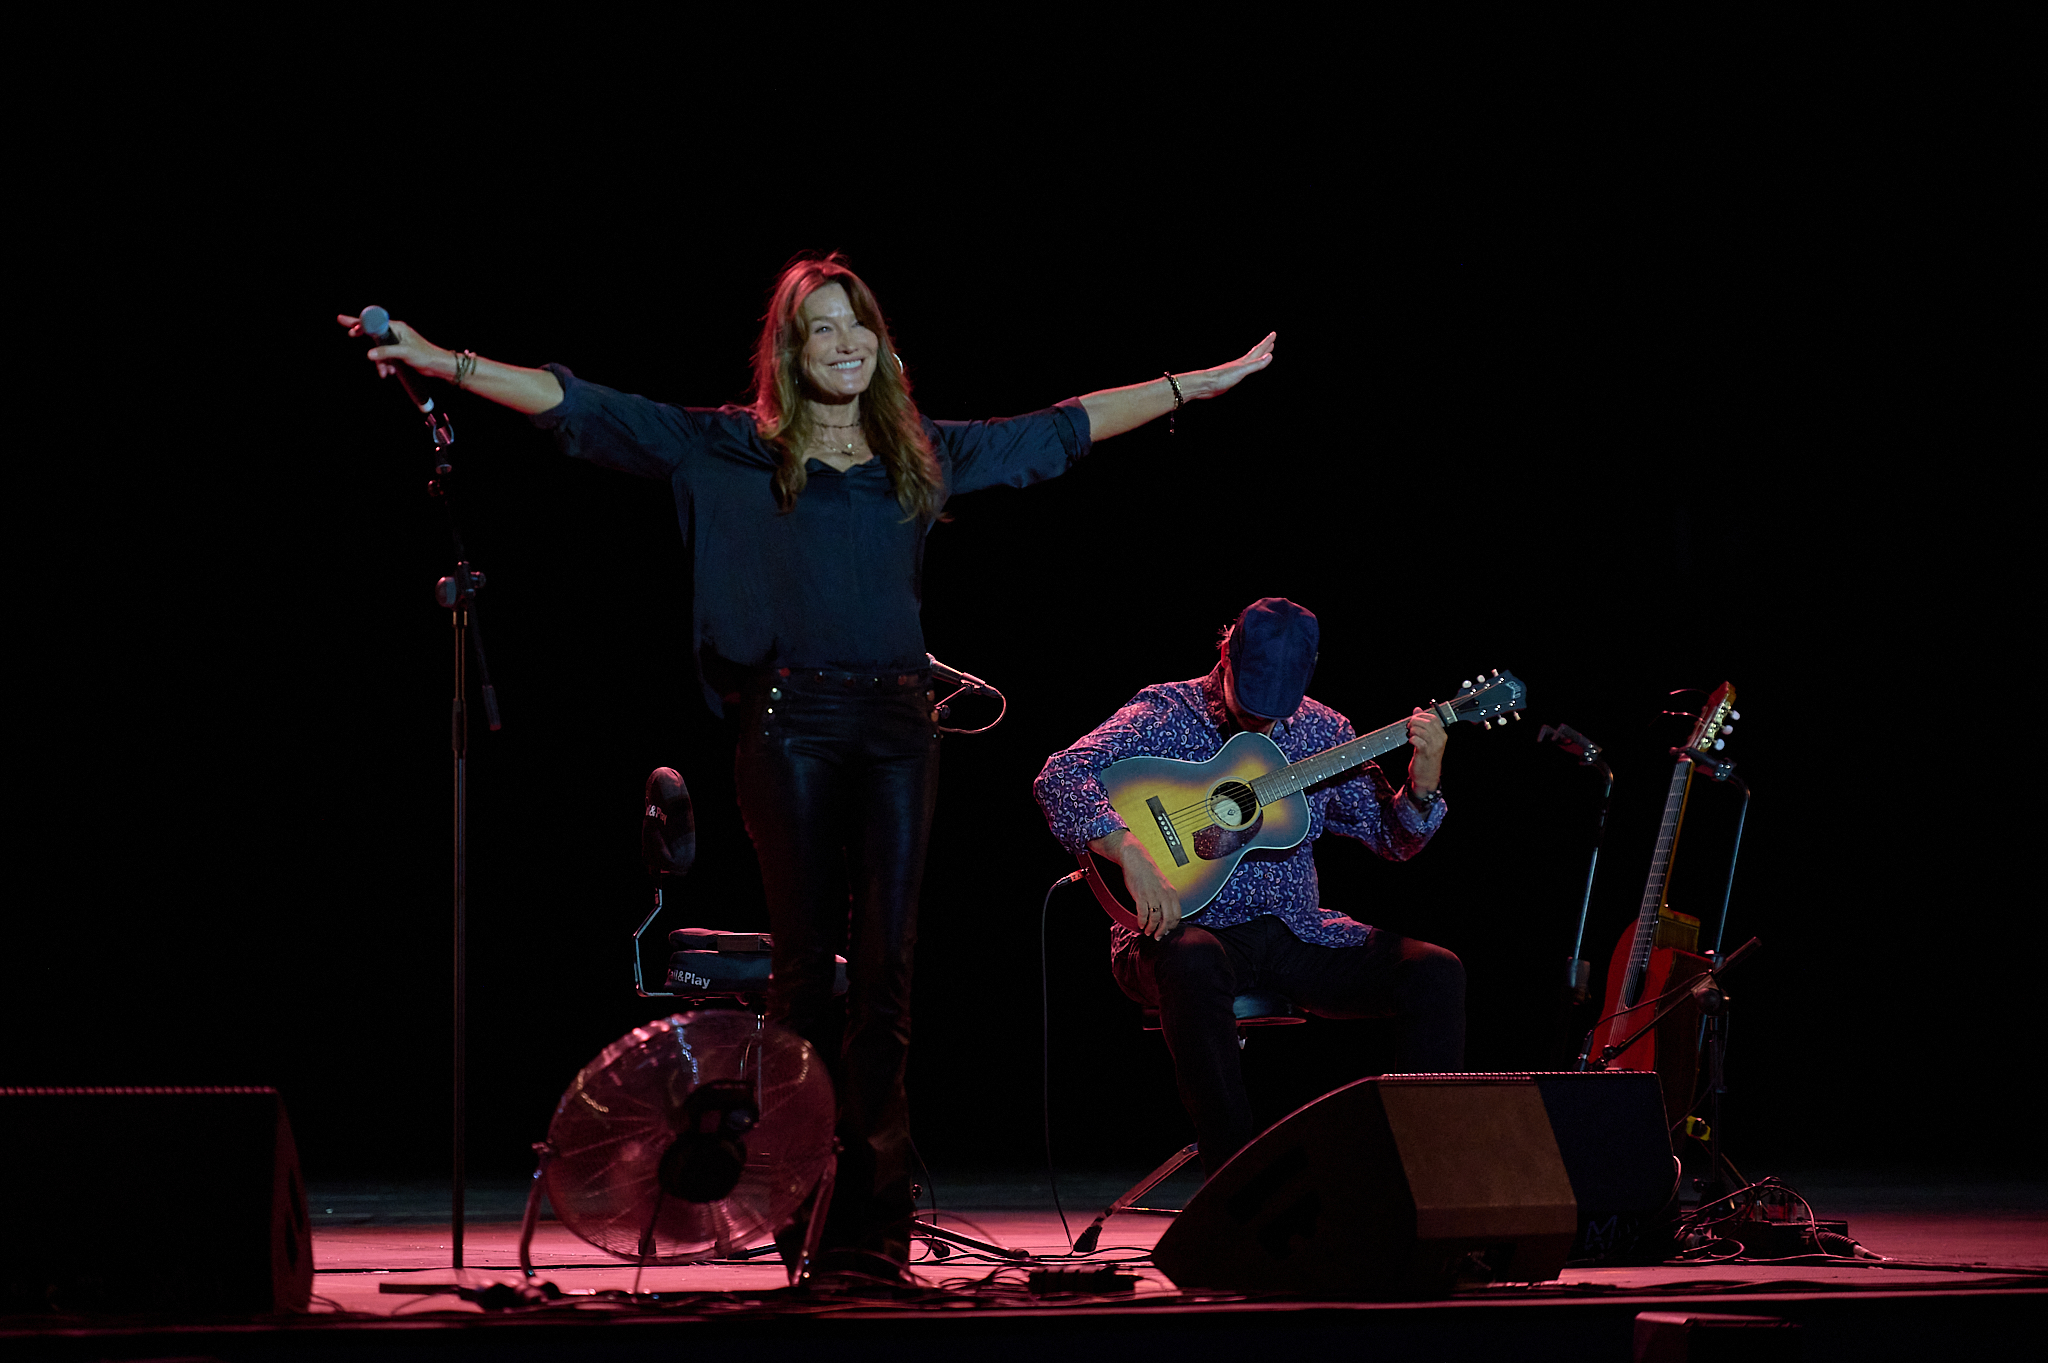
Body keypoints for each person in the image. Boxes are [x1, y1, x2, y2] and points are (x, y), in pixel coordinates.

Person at [337, 257, 1274, 1276]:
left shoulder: (915, 454)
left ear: (879, 346)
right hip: (788, 725)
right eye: (820, 330)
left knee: (886, 978)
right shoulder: (730, 448)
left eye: (856, 328)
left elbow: (1058, 428)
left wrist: (1195, 385)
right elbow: (578, 405)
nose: (842, 345)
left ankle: (870, 1222)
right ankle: (800, 1204)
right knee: (803, 976)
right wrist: (439, 359)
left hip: (897, 728)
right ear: (790, 351)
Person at [1032, 597, 1464, 1174]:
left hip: (1294, 932)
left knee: (1435, 972)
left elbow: (1394, 839)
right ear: (1226, 652)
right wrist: (1128, 849)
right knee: (1194, 960)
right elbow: (1060, 775)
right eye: (1251, 698)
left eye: (1276, 706)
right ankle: (1237, 1181)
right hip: (1184, 931)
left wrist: (1423, 783)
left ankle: (1422, 1174)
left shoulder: (1323, 730)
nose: (1262, 719)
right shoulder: (1166, 709)